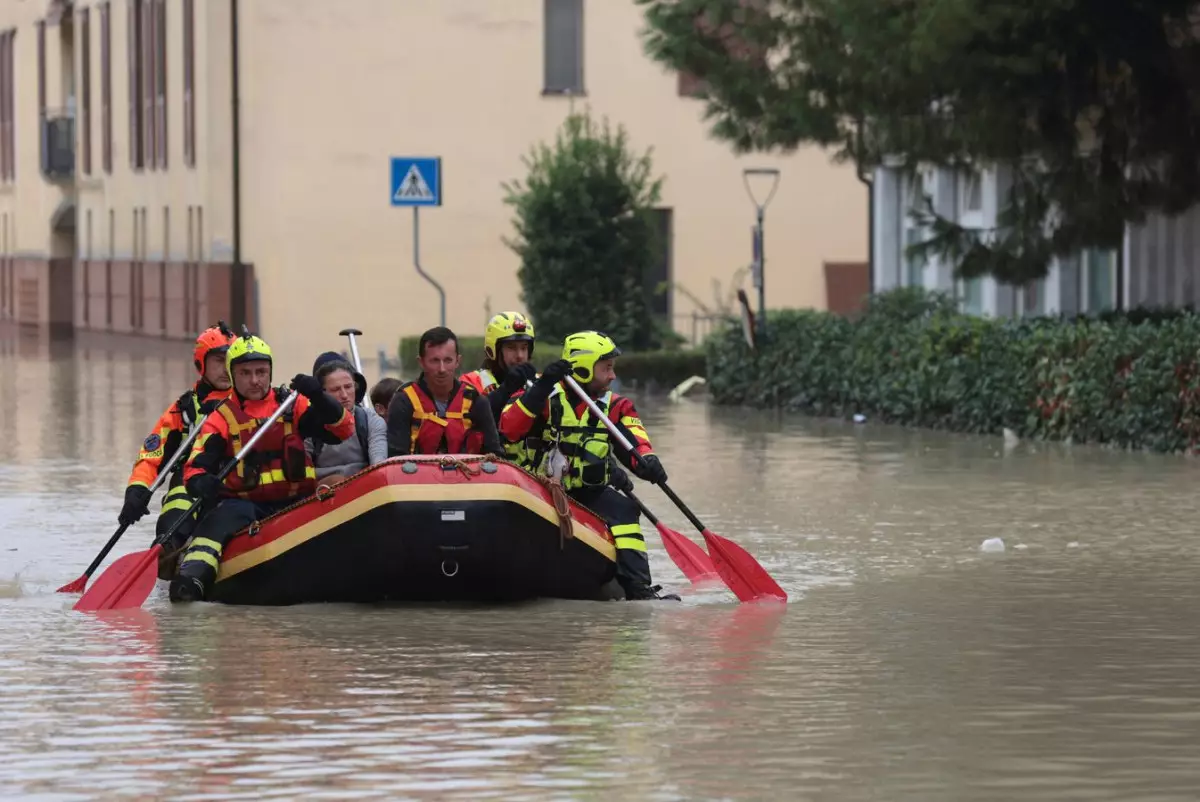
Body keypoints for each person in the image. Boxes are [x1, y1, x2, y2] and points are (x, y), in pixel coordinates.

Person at [169, 333, 356, 602]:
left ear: (270, 371)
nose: (255, 380)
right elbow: (194, 470)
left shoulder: (292, 404)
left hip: (295, 500)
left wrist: (318, 395)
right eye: (245, 373)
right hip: (244, 504)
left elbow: (343, 430)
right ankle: (192, 579)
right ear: (233, 375)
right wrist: (202, 483)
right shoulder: (221, 418)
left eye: (261, 372)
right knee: (216, 523)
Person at [499, 330, 678, 601]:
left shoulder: (617, 407)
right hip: (542, 491)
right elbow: (508, 430)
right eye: (606, 368)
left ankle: (638, 589)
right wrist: (542, 387)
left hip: (587, 492)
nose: (613, 376)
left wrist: (648, 462)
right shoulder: (541, 395)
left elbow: (635, 443)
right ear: (583, 369)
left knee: (625, 510)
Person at [119, 323, 237, 579]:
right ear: (201, 364)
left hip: (235, 481)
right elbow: (152, 453)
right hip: (192, 481)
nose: (226, 368)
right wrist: (136, 491)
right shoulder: (184, 409)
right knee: (180, 494)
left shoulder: (249, 400)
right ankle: (167, 548)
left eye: (230, 360)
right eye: (218, 360)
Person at [386, 326, 503, 457]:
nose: (442, 369)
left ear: (458, 361)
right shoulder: (404, 400)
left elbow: (495, 456)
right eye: (435, 361)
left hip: (468, 475)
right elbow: (395, 461)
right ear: (421, 362)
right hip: (417, 477)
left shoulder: (476, 401)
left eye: (448, 360)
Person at [307, 352, 387, 480]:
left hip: (364, 489)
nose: (344, 395)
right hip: (321, 493)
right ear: (321, 394)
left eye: (348, 387)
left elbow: (379, 467)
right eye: (335, 389)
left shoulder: (371, 421)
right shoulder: (307, 424)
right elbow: (301, 476)